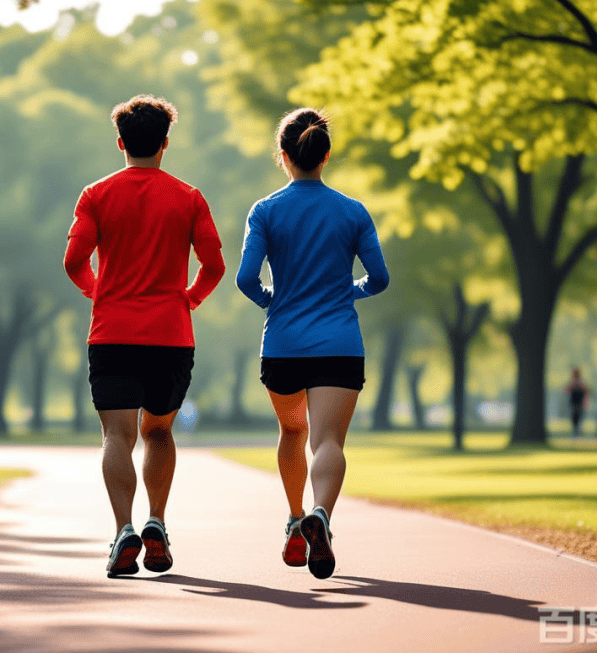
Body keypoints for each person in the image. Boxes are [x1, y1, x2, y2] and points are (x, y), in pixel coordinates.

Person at [63, 94, 225, 578]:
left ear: (120, 143)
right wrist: (189, 300)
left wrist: (101, 294)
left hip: (112, 332)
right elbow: (214, 265)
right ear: (165, 144)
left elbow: (73, 262)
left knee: (117, 434)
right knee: (158, 432)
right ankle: (157, 521)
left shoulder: (95, 195)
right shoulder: (189, 197)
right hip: (171, 336)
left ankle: (123, 530)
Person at [236, 108, 388, 580]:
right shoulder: (353, 211)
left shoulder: (265, 210)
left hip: (282, 345)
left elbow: (245, 279)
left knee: (294, 433)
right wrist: (350, 290)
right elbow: (379, 279)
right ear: (326, 155)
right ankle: (321, 514)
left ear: (284, 156)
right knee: (329, 441)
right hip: (339, 343)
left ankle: (295, 517)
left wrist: (271, 301)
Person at [565, 367, 590, 437]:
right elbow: (566, 390)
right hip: (573, 403)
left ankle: (578, 431)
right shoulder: (572, 383)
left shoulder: (582, 383)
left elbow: (586, 392)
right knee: (574, 417)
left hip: (579, 403)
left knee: (579, 416)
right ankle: (575, 431)